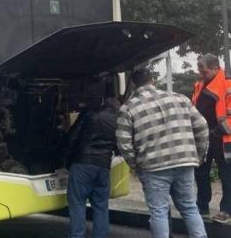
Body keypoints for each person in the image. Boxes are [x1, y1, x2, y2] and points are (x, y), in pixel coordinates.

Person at [116, 68, 209, 238]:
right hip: (184, 161)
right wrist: (199, 156)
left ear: (134, 85)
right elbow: (202, 126)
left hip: (153, 167)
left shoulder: (128, 108)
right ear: (152, 80)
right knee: (189, 208)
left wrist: (136, 165)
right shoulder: (180, 98)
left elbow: (124, 143)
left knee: (158, 212)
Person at [66, 97, 120, 238]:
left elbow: (72, 137)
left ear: (103, 104)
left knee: (78, 204)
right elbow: (119, 147)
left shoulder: (89, 115)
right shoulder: (118, 121)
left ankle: (77, 235)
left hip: (82, 164)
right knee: (101, 207)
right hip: (103, 167)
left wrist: (66, 160)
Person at [193, 54, 231, 224]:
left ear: (216, 68)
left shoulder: (228, 84)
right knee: (200, 172)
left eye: (205, 72)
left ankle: (226, 210)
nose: (202, 75)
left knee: (227, 174)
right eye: (200, 71)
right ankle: (202, 207)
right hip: (204, 136)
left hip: (223, 138)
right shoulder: (199, 85)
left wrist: (216, 131)